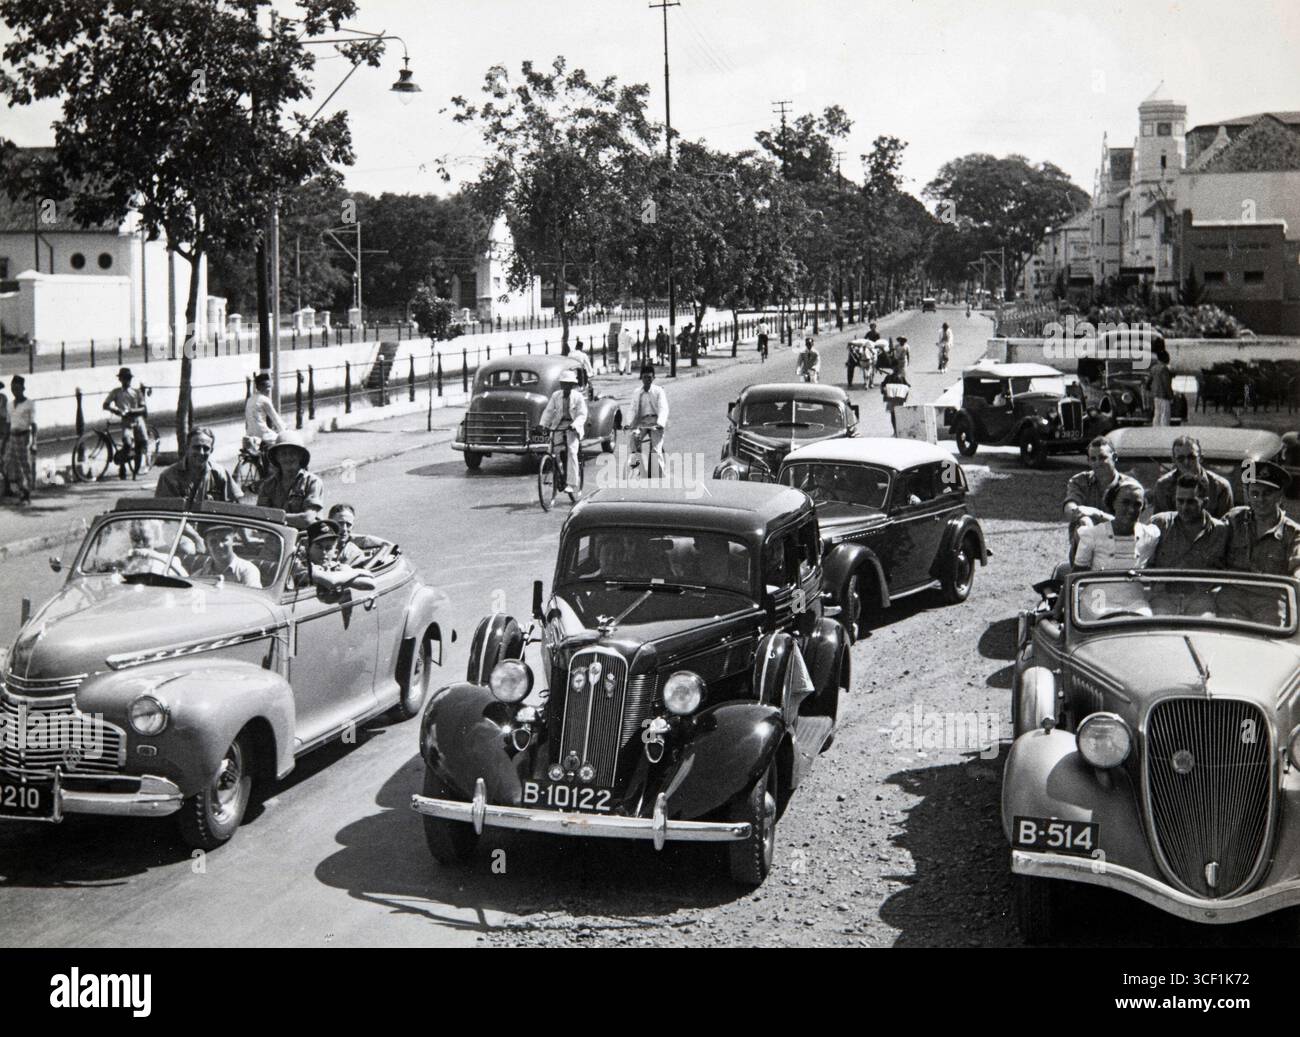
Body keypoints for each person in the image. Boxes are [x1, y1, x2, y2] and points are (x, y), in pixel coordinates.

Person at [1225, 461, 1300, 577]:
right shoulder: (1234, 520)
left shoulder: (1293, 533)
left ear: (1280, 496)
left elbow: (1297, 568)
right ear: (1248, 496)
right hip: (1231, 592)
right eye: (1255, 494)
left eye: (1267, 493)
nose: (1260, 499)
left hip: (1269, 594)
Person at [1073, 479, 1160, 572]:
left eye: (1137, 504)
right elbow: (1077, 577)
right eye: (1125, 503)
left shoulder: (1151, 536)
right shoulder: (1092, 535)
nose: (1131, 510)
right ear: (1113, 502)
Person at [1062, 437, 1125, 557]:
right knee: (1084, 523)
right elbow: (1070, 505)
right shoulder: (1080, 481)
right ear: (1088, 461)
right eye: (1093, 459)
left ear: (1115, 457)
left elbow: (1127, 525)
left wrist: (1096, 514)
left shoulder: (1128, 486)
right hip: (1086, 551)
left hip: (1119, 548)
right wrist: (1075, 510)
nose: (1097, 463)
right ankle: (1082, 568)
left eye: (1102, 458)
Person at [1150, 477, 1230, 569]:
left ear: (1205, 503)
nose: (1184, 508)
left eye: (1191, 502)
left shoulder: (1221, 531)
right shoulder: (1160, 525)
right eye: (1180, 501)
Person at [1149, 434, 1233, 517]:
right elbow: (1159, 524)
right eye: (1181, 458)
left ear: (1201, 457)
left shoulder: (1220, 486)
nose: (1186, 462)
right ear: (1174, 460)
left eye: (1191, 457)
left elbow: (1226, 525)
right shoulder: (1163, 485)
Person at [256, 430, 324, 529]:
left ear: (300, 456)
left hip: (305, 539)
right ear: (277, 457)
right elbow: (260, 518)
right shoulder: (267, 485)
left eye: (292, 453)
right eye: (283, 454)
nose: (288, 458)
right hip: (277, 538)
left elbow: (307, 519)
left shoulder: (312, 482)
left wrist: (274, 517)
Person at [155, 427, 240, 503]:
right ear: (187, 448)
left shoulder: (219, 473)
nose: (201, 452)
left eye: (206, 448)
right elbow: (164, 512)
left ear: (211, 451)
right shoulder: (168, 477)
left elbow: (234, 505)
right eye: (197, 447)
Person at [538, 369, 587, 495]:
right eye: (563, 383)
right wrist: (543, 425)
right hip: (558, 425)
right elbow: (548, 411)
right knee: (553, 450)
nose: (566, 386)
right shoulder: (556, 395)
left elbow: (582, 414)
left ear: (572, 385)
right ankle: (559, 474)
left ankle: (571, 483)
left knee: (571, 451)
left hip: (572, 426)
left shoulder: (578, 397)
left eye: (568, 384)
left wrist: (574, 425)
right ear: (561, 384)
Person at [293, 519, 376, 593]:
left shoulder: (335, 566)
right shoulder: (303, 566)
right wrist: (357, 572)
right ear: (308, 548)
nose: (324, 552)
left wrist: (341, 577)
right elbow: (331, 581)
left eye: (328, 548)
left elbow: (371, 583)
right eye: (319, 547)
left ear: (335, 552)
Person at [103, 367, 150, 480]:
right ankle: (122, 465)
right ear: (120, 379)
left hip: (137, 420)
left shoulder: (136, 392)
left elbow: (143, 409)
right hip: (126, 422)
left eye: (128, 378)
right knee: (127, 443)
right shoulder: (116, 392)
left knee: (141, 444)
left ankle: (135, 472)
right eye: (124, 378)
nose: (126, 381)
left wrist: (131, 411)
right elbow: (105, 405)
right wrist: (115, 410)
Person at [628, 363, 669, 475]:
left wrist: (660, 423)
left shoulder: (659, 391)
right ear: (641, 378)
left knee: (656, 449)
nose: (647, 380)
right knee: (633, 440)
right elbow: (632, 409)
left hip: (655, 422)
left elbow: (663, 408)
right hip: (642, 423)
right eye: (645, 377)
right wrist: (629, 424)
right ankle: (637, 471)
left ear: (653, 378)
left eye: (650, 378)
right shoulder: (637, 393)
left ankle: (660, 475)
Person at [3, 376, 37, 505]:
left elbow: (33, 424)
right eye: (13, 388)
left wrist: (33, 441)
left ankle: (26, 494)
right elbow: (8, 424)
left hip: (23, 436)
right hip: (12, 437)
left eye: (17, 388)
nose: (15, 391)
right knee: (8, 465)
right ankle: (20, 489)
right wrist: (4, 442)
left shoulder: (29, 404)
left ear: (23, 388)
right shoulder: (10, 405)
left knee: (25, 466)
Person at [193, 525, 263, 587]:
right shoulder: (201, 574)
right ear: (206, 545)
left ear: (233, 540)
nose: (219, 545)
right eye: (213, 541)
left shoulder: (246, 570)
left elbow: (254, 600)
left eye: (224, 540)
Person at [244, 371, 285, 448]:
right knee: (281, 442)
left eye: (269, 386)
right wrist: (284, 431)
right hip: (262, 434)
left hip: (249, 434)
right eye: (266, 386)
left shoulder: (250, 399)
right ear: (259, 387)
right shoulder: (264, 400)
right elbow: (275, 418)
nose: (268, 389)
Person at [880, 368, 911, 436]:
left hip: (891, 400)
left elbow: (882, 385)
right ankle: (899, 431)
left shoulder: (888, 377)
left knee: (893, 415)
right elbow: (908, 386)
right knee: (899, 415)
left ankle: (895, 431)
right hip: (899, 400)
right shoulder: (901, 377)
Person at [1149, 341, 1173, 427]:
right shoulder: (1164, 369)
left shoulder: (1153, 368)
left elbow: (1149, 380)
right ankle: (1164, 430)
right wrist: (1171, 396)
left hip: (1156, 395)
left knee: (1157, 413)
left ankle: (1155, 428)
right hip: (1164, 395)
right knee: (1165, 415)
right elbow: (1166, 384)